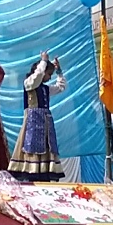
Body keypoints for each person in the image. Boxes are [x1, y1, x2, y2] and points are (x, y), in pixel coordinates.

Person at [7, 51, 66, 182]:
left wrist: (59, 72)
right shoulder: (29, 83)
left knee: (46, 147)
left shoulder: (45, 88)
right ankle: (32, 172)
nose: (49, 78)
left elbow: (61, 87)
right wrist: (43, 61)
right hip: (32, 123)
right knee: (32, 145)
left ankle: (43, 172)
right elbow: (37, 76)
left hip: (45, 123)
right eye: (49, 74)